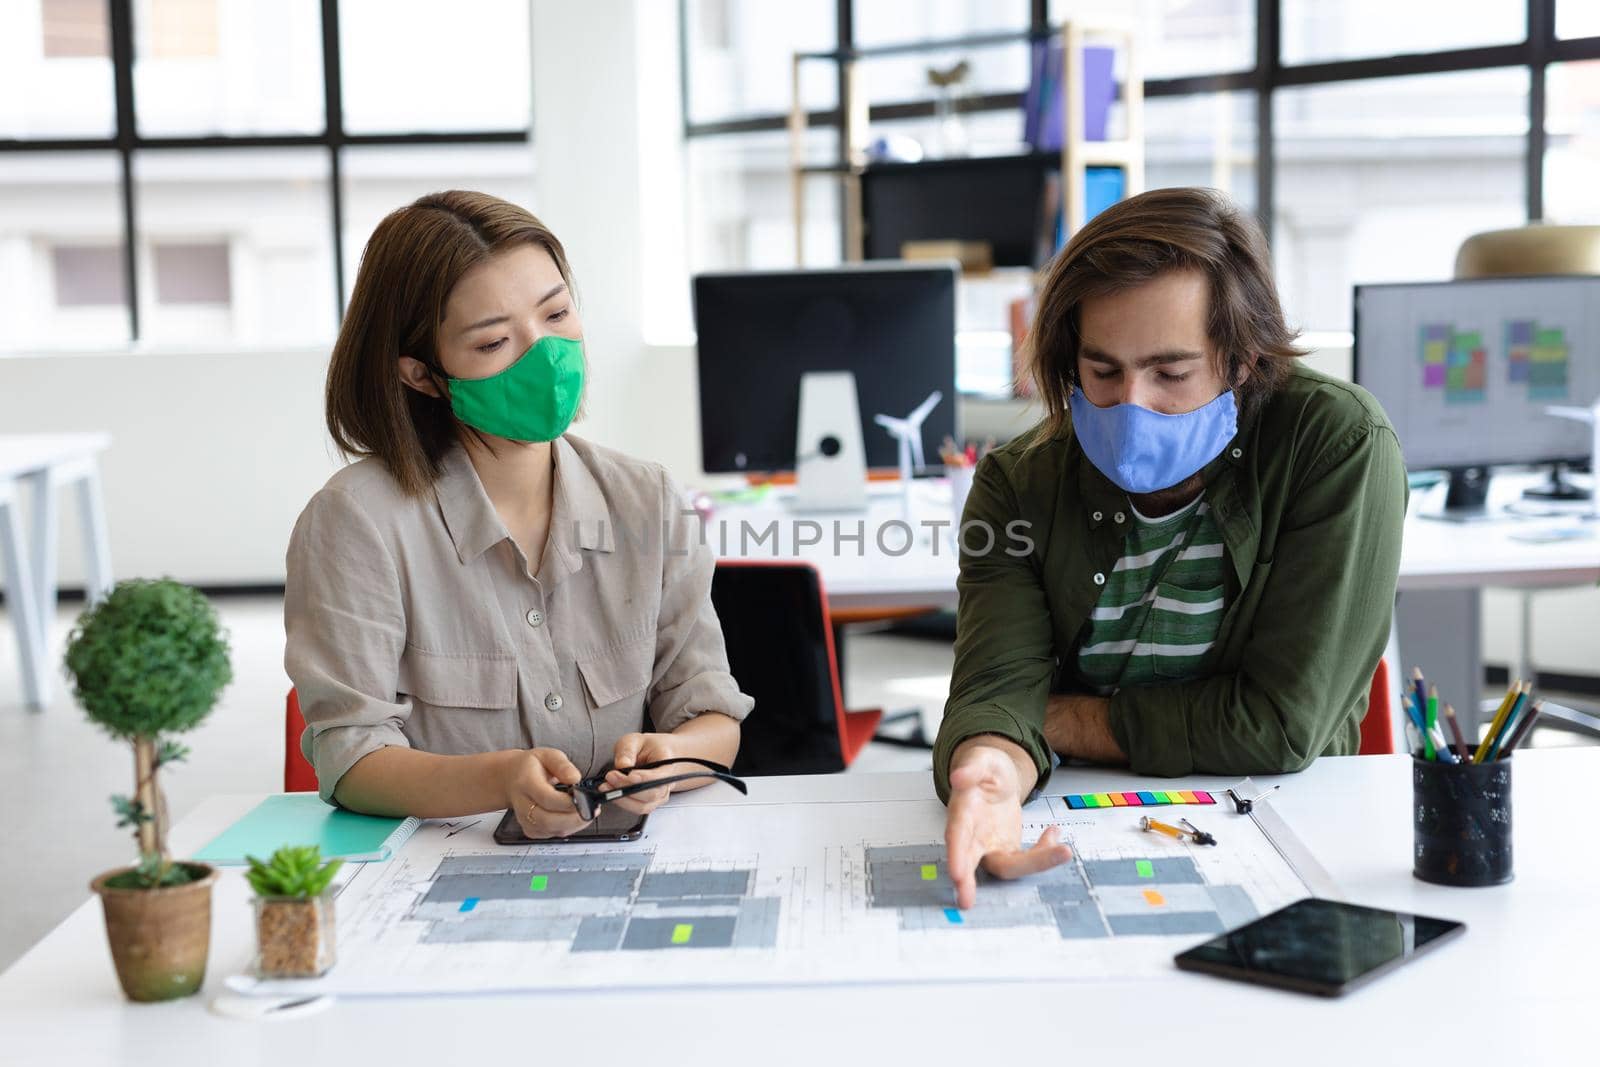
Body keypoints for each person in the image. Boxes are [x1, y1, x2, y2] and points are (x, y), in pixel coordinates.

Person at [935, 187, 1406, 907]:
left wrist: (1056, 718)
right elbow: (994, 692)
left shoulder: (1335, 445)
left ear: (1243, 360)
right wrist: (990, 770)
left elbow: (1276, 724)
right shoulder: (1017, 482)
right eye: (1102, 371)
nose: (1132, 406)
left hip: (1286, 827)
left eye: (1171, 373)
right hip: (1073, 818)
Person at [285, 190, 752, 837]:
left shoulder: (648, 498)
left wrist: (671, 759)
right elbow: (351, 757)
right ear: (423, 374)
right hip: (444, 877)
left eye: (557, 313)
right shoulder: (356, 523)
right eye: (495, 341)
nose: (546, 354)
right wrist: (500, 779)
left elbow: (711, 714)